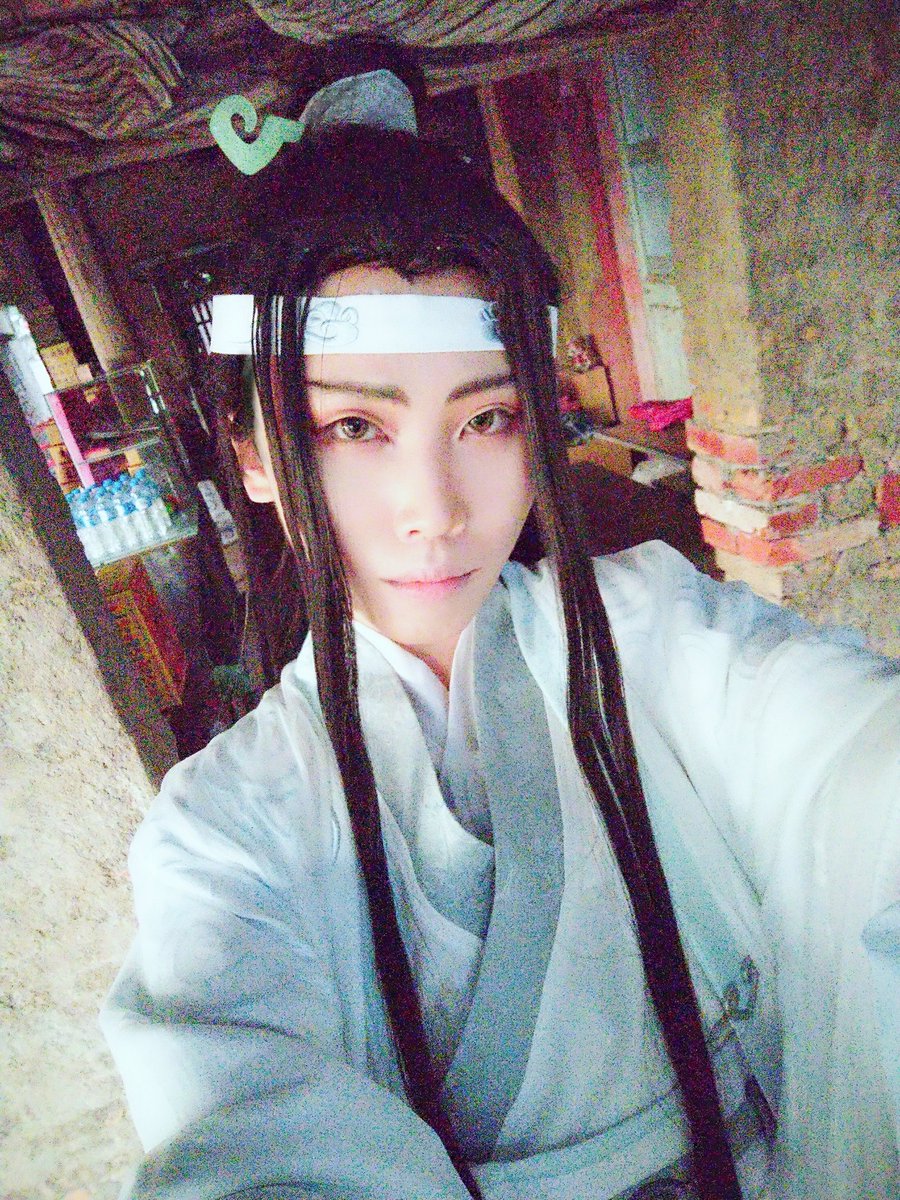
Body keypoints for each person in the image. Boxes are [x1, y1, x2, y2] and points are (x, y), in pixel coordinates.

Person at [101, 49, 899, 1200]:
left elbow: (857, 755)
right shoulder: (226, 838)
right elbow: (241, 1133)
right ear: (254, 453)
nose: (435, 509)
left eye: (488, 419)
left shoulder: (657, 632)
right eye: (354, 429)